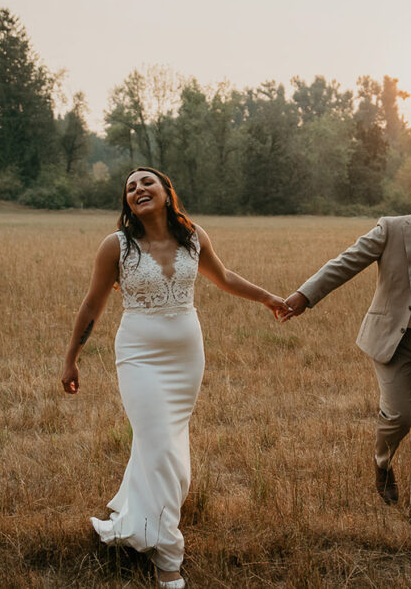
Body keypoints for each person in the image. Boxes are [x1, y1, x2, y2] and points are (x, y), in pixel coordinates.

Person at [61, 167, 287, 588]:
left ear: (166, 191)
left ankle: (135, 520)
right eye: (130, 187)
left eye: (146, 182)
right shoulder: (117, 246)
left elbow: (223, 277)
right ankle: (168, 560)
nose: (138, 189)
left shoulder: (193, 237)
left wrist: (267, 297)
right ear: (127, 202)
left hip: (186, 355)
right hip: (138, 354)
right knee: (159, 444)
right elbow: (92, 305)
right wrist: (71, 358)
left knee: (168, 445)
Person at [280, 165, 411, 528]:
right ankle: (382, 462)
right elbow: (346, 262)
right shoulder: (391, 229)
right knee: (400, 416)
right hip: (393, 341)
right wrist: (305, 295)